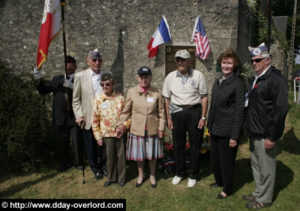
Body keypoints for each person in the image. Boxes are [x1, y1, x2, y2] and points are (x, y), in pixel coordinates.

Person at [243, 43, 288, 209]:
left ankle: (265, 199)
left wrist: (272, 136)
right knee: (257, 166)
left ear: (267, 60)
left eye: (258, 60)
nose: (254, 63)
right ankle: (258, 192)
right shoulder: (257, 77)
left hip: (266, 133)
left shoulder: (276, 80)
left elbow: (281, 109)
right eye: (252, 60)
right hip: (254, 131)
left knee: (267, 168)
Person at [162, 49, 208, 187]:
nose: (180, 62)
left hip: (194, 111)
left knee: (195, 144)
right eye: (178, 60)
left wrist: (203, 117)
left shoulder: (198, 75)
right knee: (178, 145)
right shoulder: (170, 77)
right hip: (177, 113)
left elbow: (204, 97)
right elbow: (166, 98)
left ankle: (193, 174)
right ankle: (179, 172)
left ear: (190, 61)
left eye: (183, 60)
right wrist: (169, 119)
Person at [117, 66, 165, 188]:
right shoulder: (132, 92)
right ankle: (141, 175)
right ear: (138, 78)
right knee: (140, 155)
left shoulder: (156, 92)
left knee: (152, 155)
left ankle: (153, 175)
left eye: (146, 77)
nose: (144, 79)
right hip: (137, 129)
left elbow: (161, 113)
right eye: (142, 77)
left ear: (150, 78)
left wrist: (161, 128)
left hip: (152, 128)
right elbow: (126, 111)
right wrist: (119, 124)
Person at [33, 56, 84, 172]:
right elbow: (43, 91)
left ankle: (79, 163)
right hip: (60, 115)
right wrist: (38, 78)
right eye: (67, 63)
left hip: (74, 115)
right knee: (62, 142)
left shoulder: (79, 79)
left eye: (72, 63)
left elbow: (83, 93)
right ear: (64, 66)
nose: (69, 65)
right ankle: (64, 163)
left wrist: (72, 86)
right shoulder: (57, 79)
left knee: (77, 141)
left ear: (75, 67)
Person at [207, 49, 245, 199]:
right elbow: (213, 106)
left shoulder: (238, 84)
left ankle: (227, 189)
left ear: (234, 65)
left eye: (229, 63)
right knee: (215, 160)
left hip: (228, 131)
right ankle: (219, 181)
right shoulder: (218, 81)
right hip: (215, 128)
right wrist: (209, 127)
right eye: (224, 62)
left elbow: (240, 112)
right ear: (220, 64)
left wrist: (234, 136)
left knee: (227, 162)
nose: (226, 66)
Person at [73, 49, 106, 180]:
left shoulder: (106, 75)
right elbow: (76, 100)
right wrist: (79, 115)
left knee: (104, 144)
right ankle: (95, 168)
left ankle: (104, 166)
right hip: (88, 116)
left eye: (99, 60)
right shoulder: (80, 76)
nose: (97, 62)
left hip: (104, 116)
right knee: (91, 144)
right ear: (88, 62)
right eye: (94, 60)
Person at [92, 73, 129, 187]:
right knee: (109, 156)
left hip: (120, 132)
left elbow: (128, 115)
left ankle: (121, 178)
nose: (105, 87)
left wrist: (125, 126)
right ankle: (111, 177)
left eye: (107, 84)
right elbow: (95, 120)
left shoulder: (120, 98)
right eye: (102, 85)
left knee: (121, 156)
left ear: (113, 85)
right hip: (107, 133)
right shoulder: (98, 100)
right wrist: (98, 136)